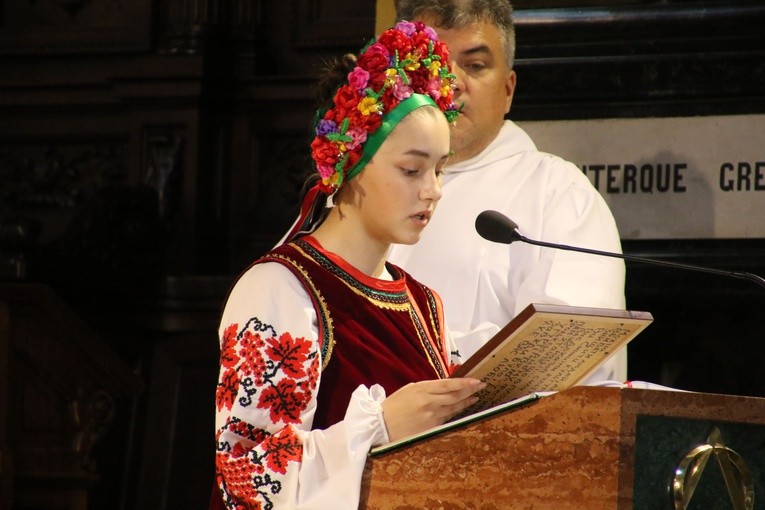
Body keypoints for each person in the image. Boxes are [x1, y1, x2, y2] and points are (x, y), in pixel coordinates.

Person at [211, 21, 485, 510]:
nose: (433, 190)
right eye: (411, 169)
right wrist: (378, 429)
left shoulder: (424, 304)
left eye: (440, 169)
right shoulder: (282, 288)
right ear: (351, 162)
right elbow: (246, 476)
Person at [389, 0, 628, 382]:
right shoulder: (358, 191)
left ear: (508, 89)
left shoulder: (558, 195)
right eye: (431, 63)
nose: (450, 82)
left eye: (475, 65)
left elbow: (566, 359)